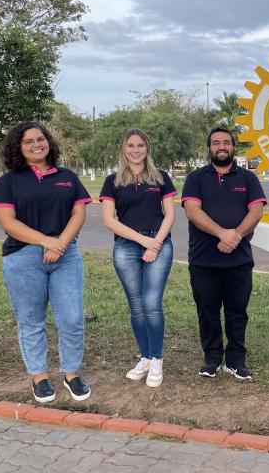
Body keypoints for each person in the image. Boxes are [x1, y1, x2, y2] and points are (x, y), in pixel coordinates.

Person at [0, 121, 92, 403]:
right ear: (18, 148)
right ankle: (39, 377)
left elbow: (78, 213)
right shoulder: (9, 181)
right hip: (23, 258)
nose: (36, 145)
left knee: (72, 319)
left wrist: (60, 243)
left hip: (65, 255)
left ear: (49, 142)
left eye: (40, 139)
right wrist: (45, 241)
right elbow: (7, 222)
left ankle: (71, 374)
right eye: (28, 141)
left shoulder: (67, 176)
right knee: (31, 321)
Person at [182, 128, 266, 381]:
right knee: (207, 311)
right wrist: (222, 233)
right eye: (216, 142)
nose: (222, 146)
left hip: (238, 260)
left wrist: (235, 236)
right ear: (209, 148)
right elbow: (192, 211)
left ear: (233, 148)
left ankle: (236, 360)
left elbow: (256, 211)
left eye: (226, 142)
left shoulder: (248, 178)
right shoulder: (196, 178)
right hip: (203, 261)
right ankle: (212, 358)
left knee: (237, 311)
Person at [99, 129, 177, 388]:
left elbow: (170, 215)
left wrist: (155, 244)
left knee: (151, 303)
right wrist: (143, 242)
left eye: (140, 145)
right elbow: (109, 220)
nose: (135, 150)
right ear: (123, 149)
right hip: (126, 247)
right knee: (136, 304)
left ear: (147, 148)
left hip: (159, 242)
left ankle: (157, 359)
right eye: (130, 145)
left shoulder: (161, 178)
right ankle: (144, 356)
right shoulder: (112, 181)